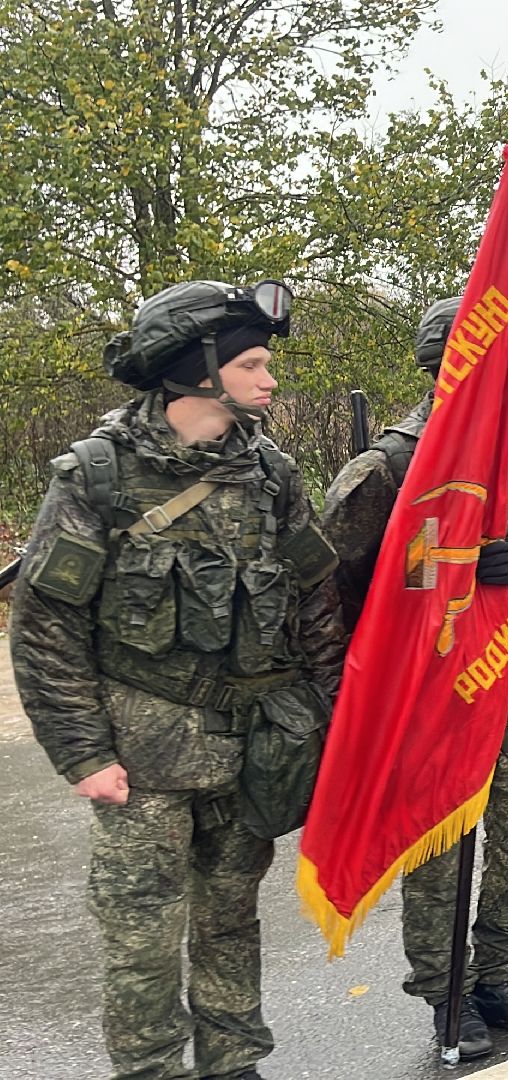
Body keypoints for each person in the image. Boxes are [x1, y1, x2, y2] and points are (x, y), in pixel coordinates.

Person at [11, 279, 346, 1080]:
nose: (271, 379)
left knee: (232, 922)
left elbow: (315, 607)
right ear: (198, 368)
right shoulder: (98, 476)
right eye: (255, 363)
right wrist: (83, 753)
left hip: (250, 752)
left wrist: (329, 721)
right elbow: (46, 624)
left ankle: (233, 1064)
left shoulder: (272, 475)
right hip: (142, 759)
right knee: (142, 941)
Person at [322, 298, 508, 1058]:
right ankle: (444, 988)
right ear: (443, 368)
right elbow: (322, 577)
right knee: (434, 847)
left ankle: (500, 974)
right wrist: (358, 682)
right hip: (428, 688)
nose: (499, 387)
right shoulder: (395, 462)